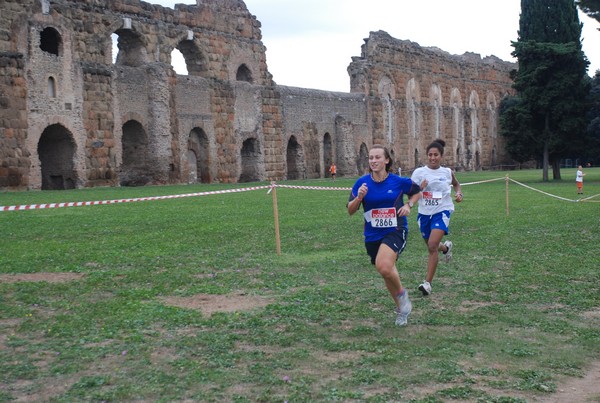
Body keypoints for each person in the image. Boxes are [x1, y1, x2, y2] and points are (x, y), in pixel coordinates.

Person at [347, 144, 421, 326]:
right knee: (385, 271)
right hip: (372, 234)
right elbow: (350, 210)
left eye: (377, 157)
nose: (373, 161)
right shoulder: (362, 183)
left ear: (386, 160)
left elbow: (417, 192)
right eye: (371, 158)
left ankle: (402, 295)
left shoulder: (398, 181)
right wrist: (359, 198)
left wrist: (408, 205)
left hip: (395, 230)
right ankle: (402, 309)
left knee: (385, 266)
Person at [410, 140, 463, 296]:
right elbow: (410, 192)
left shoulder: (447, 172)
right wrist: (420, 187)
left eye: (436, 155)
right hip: (424, 213)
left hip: (442, 210)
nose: (433, 158)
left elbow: (456, 185)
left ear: (441, 156)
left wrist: (459, 193)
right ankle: (446, 248)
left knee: (432, 246)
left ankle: (427, 284)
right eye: (430, 155)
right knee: (432, 245)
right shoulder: (419, 173)